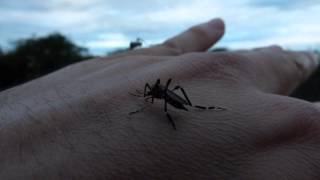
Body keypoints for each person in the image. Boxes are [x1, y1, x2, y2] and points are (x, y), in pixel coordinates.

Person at [0, 18, 319, 179]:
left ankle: (183, 114)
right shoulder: (155, 91)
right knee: (165, 98)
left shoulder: (156, 94)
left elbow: (151, 96)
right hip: (172, 98)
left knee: (166, 102)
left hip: (174, 101)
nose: (147, 95)